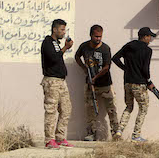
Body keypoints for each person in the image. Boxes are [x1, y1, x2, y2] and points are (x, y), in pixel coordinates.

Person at [74, 24, 119, 141]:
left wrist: (95, 78)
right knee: (90, 109)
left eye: (100, 36)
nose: (98, 38)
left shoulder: (105, 49)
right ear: (91, 35)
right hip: (90, 84)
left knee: (111, 109)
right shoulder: (84, 46)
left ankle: (116, 132)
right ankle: (91, 133)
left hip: (105, 84)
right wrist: (84, 68)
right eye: (96, 36)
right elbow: (77, 56)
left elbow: (106, 67)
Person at [112, 27, 156, 142]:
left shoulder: (129, 45)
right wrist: (149, 82)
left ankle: (119, 130)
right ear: (145, 36)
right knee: (143, 108)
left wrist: (125, 69)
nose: (150, 39)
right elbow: (145, 69)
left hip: (127, 82)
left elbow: (115, 58)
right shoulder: (147, 50)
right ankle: (136, 135)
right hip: (140, 84)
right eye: (149, 37)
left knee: (129, 106)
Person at [40, 18, 74, 149]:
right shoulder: (47, 42)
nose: (63, 32)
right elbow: (53, 58)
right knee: (51, 110)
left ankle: (60, 137)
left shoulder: (56, 43)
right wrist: (66, 47)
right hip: (51, 81)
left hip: (61, 81)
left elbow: (57, 56)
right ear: (55, 29)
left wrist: (64, 47)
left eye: (64, 29)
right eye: (62, 29)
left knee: (66, 109)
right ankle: (49, 140)